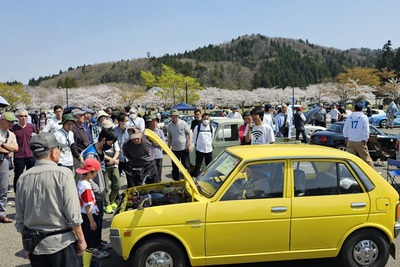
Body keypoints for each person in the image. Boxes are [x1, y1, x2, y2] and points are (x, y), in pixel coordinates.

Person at [15, 132, 86, 267]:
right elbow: (73, 214)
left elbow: (19, 218)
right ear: (53, 152)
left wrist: (27, 246)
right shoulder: (63, 174)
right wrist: (81, 240)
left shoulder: (23, 178)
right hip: (61, 243)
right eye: (58, 148)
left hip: (35, 245)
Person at [80, 128, 117, 258]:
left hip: (99, 192)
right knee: (93, 223)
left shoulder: (99, 151)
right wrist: (96, 189)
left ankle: (98, 242)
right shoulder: (91, 155)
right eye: (110, 144)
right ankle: (92, 247)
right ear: (103, 140)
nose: (110, 146)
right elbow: (86, 176)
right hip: (93, 194)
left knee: (99, 221)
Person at [76, 158, 102, 267]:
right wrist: (92, 221)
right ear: (90, 172)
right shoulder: (86, 186)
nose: (96, 174)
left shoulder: (80, 182)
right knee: (89, 243)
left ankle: (86, 262)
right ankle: (86, 264)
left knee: (86, 241)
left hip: (83, 215)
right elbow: (88, 206)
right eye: (95, 172)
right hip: (88, 217)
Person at [12, 109, 37, 193]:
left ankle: (31, 193)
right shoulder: (13, 128)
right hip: (19, 156)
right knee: (18, 176)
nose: (23, 118)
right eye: (21, 116)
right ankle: (18, 194)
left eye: (25, 116)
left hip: (31, 155)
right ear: (17, 117)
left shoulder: (31, 127)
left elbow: (35, 140)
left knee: (32, 176)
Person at [0, 112, 18, 223]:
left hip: (4, 161)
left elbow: (16, 148)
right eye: (9, 121)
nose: (11, 124)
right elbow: (11, 149)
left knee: (3, 188)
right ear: (1, 120)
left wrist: (2, 146)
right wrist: (8, 149)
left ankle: (2, 214)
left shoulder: (11, 134)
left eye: (12, 121)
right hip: (4, 158)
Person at [343, 103, 374, 168]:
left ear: (354, 109)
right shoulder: (363, 117)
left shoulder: (349, 117)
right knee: (366, 158)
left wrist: (346, 137)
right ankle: (372, 172)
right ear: (361, 109)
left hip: (350, 140)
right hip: (360, 140)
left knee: (349, 158)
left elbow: (345, 128)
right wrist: (365, 138)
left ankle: (348, 171)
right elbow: (366, 129)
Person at [167, 109, 192, 181]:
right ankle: (176, 181)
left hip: (184, 148)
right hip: (174, 149)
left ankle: (187, 181)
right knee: (175, 167)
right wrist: (168, 147)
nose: (174, 118)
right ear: (171, 117)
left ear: (178, 116)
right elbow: (169, 137)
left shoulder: (183, 123)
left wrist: (189, 144)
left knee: (186, 166)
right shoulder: (169, 126)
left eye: (176, 116)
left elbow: (189, 133)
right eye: (173, 116)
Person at [147, 115, 166, 181]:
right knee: (151, 173)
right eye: (153, 122)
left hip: (159, 155)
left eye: (156, 122)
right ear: (149, 123)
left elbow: (163, 143)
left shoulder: (160, 131)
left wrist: (155, 143)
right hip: (150, 156)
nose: (155, 123)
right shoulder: (146, 132)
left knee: (159, 171)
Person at [71, 108, 90, 177]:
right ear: (76, 117)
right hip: (79, 158)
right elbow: (73, 146)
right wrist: (80, 158)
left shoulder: (82, 126)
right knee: (79, 179)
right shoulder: (73, 129)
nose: (83, 116)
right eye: (81, 115)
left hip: (85, 155)